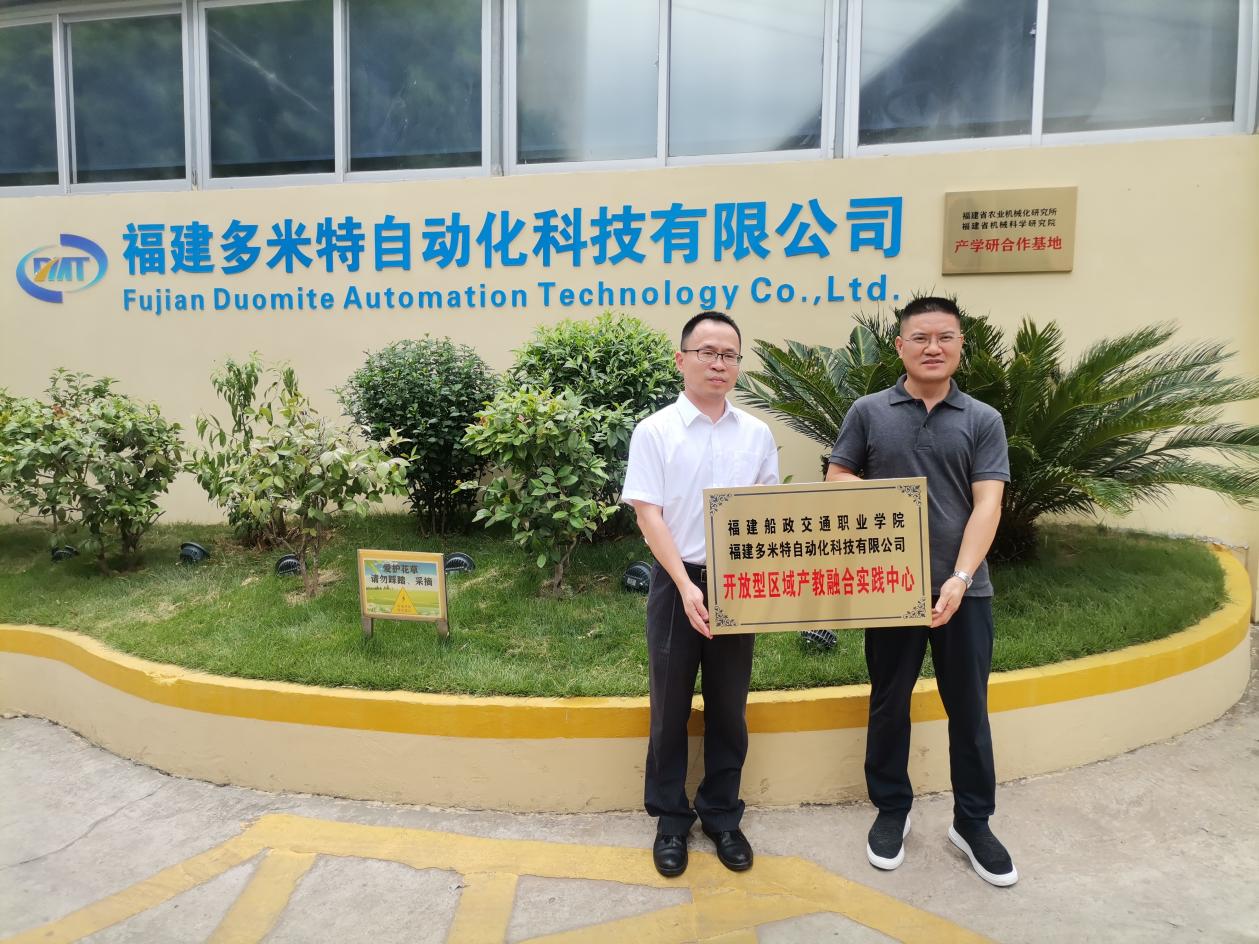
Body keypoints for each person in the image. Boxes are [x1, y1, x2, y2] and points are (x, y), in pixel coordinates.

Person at [826, 296, 1017, 887]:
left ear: (960, 346)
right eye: (921, 337)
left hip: (966, 592)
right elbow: (838, 475)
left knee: (969, 709)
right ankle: (892, 809)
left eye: (945, 337)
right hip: (890, 589)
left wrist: (960, 577)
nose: (933, 348)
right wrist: (880, 501)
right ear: (900, 346)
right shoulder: (868, 411)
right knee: (889, 702)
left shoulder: (982, 418)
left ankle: (973, 822)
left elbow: (988, 502)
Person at [622, 310, 779, 878]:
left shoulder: (756, 434)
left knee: (729, 705)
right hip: (676, 579)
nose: (719, 363)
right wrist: (687, 586)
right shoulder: (655, 431)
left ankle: (721, 814)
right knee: (669, 705)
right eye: (707, 352)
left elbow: (767, 512)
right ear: (682, 359)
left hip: (739, 581)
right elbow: (649, 514)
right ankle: (670, 819)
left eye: (729, 354)